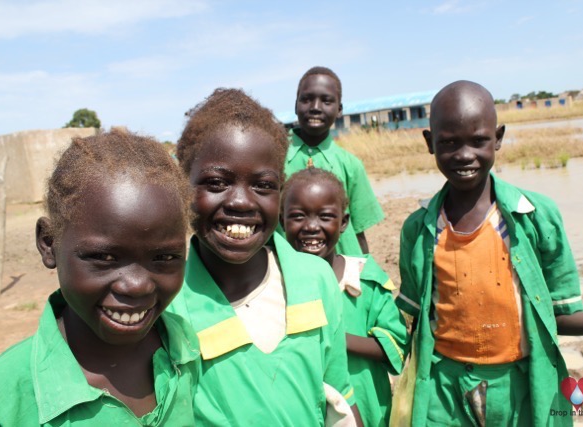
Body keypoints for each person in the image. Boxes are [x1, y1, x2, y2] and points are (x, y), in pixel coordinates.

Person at [395, 81, 583, 426]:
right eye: (448, 142)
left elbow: (558, 315)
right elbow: (412, 323)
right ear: (430, 143)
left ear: (499, 138)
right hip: (443, 391)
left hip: (519, 386)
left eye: (478, 141)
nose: (464, 154)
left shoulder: (537, 217)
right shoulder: (418, 230)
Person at [168, 88, 361, 426]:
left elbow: (339, 396)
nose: (241, 202)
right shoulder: (169, 304)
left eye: (263, 186)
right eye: (216, 183)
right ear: (184, 186)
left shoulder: (315, 279)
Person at [0, 131, 200, 426]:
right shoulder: (3, 396)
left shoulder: (183, 347)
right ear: (49, 243)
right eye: (105, 258)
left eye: (164, 258)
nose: (137, 284)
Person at [281, 167, 408, 427]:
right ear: (281, 221)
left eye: (326, 216)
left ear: (344, 223)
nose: (311, 227)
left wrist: (332, 337)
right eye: (298, 216)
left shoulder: (366, 280)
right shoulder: (275, 283)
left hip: (366, 407)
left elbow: (395, 346)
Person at [285, 66, 384, 255]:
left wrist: (365, 273)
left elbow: (358, 231)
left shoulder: (351, 165)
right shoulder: (274, 158)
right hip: (287, 270)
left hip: (339, 274)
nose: (315, 107)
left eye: (326, 101)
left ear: (339, 110)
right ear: (296, 105)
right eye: (306, 99)